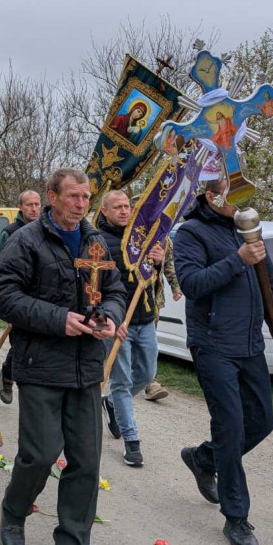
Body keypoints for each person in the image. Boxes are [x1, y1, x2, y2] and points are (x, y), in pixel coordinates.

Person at [0, 168, 125, 545]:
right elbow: (2, 295)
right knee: (41, 454)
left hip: (86, 368)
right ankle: (13, 512)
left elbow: (116, 288)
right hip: (41, 364)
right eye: (73, 196)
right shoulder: (27, 240)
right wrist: (57, 320)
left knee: (86, 461)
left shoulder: (95, 242)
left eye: (87, 196)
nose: (81, 203)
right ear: (51, 197)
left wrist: (111, 317)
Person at [173, 178, 273, 545]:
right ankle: (236, 517)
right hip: (212, 344)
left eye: (246, 197)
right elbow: (192, 284)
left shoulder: (250, 233)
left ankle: (204, 457)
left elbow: (271, 289)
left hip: (249, 345)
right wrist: (236, 260)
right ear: (212, 198)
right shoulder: (191, 234)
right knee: (231, 426)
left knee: (261, 421)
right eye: (234, 197)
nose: (243, 204)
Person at [96, 189, 166, 467]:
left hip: (144, 317)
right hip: (117, 322)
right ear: (105, 211)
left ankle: (111, 403)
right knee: (122, 380)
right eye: (118, 207)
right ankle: (131, 441)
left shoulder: (142, 237)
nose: (124, 211)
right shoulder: (97, 241)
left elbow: (151, 278)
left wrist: (157, 263)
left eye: (127, 206)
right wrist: (106, 318)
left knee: (147, 373)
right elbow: (95, 285)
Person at [0, 189, 42, 404]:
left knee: (38, 345)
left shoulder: (46, 230)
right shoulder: (10, 231)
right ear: (21, 207)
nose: (34, 208)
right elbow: (2, 268)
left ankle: (32, 389)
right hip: (19, 299)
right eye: (29, 204)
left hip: (42, 298)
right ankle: (7, 375)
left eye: (37, 204)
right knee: (21, 345)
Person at [144, 240, 181, 401]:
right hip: (125, 299)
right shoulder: (131, 232)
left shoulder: (163, 238)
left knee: (149, 343)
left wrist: (175, 286)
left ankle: (151, 382)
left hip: (153, 300)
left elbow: (169, 264)